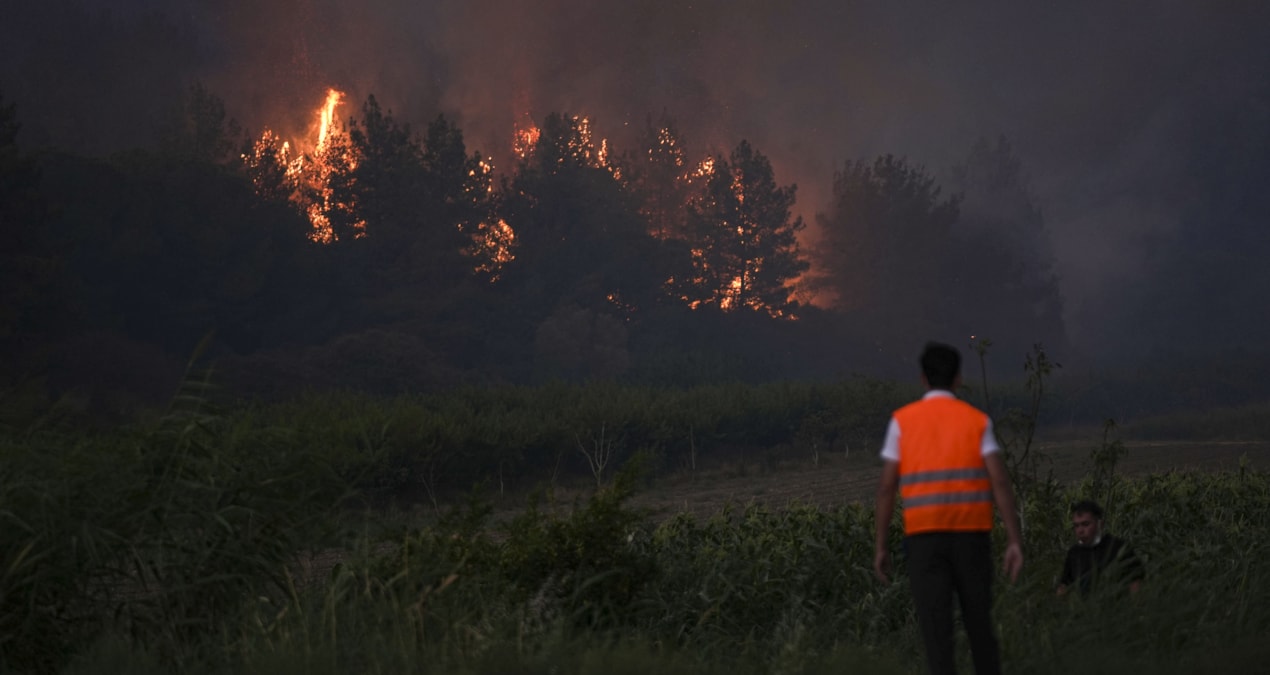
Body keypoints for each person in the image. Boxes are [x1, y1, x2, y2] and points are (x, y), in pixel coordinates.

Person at [874, 342, 1024, 675]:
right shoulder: (976, 421)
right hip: (971, 538)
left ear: (922, 379)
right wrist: (1014, 540)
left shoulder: (902, 422)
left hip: (924, 542)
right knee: (979, 627)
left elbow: (886, 488)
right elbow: (999, 481)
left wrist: (881, 545)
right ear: (958, 378)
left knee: (936, 634)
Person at [1056, 500, 1144, 597]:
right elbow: (1065, 584)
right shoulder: (1074, 553)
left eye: (1085, 524)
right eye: (1076, 526)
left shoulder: (1117, 547)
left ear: (1099, 524)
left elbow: (1135, 581)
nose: (1080, 530)